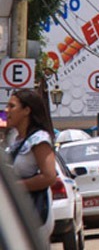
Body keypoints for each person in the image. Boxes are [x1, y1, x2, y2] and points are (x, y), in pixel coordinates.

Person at [5, 89, 57, 237]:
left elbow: (49, 176)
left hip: (32, 214)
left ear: (27, 110)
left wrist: (15, 187)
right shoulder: (14, 139)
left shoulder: (39, 139)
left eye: (12, 106)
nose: (6, 110)